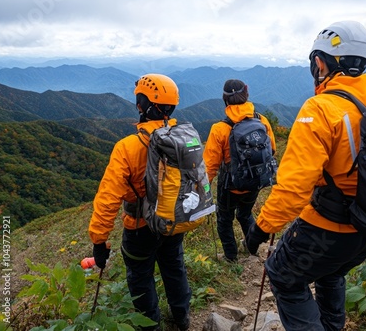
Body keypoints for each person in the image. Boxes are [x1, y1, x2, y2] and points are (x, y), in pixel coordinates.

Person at [246, 20, 366, 330]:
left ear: (319, 62)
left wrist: (261, 229)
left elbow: (294, 187)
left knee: (283, 276)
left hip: (329, 226)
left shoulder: (322, 108)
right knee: (331, 272)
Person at [88, 74, 191, 331]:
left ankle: (150, 326)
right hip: (172, 218)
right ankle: (182, 317)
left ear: (141, 106)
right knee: (174, 266)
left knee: (141, 277)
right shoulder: (183, 137)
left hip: (140, 227)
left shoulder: (127, 147)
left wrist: (99, 240)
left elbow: (108, 198)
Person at [203, 79, 276, 262]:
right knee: (244, 214)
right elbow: (272, 149)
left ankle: (230, 256)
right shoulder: (262, 120)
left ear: (225, 99)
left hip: (231, 185)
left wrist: (203, 191)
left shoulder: (220, 128)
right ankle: (253, 249)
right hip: (255, 181)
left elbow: (210, 166)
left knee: (225, 219)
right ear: (247, 94)